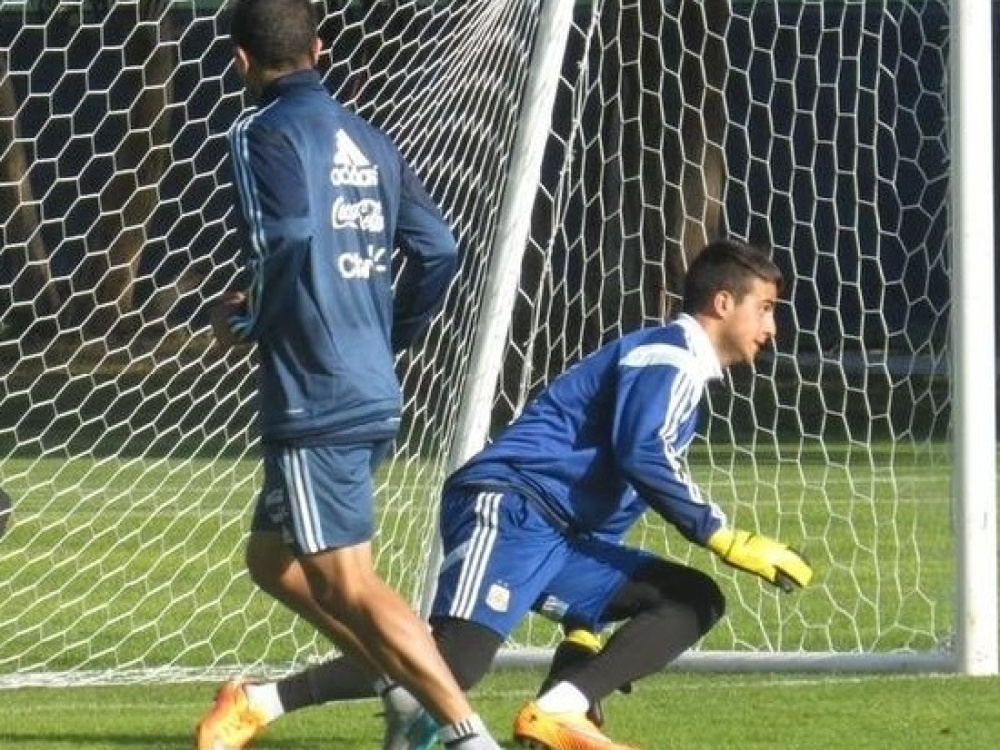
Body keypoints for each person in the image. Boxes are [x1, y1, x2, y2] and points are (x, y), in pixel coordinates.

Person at [196, 238, 814, 750]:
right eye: (765, 309)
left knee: (689, 598)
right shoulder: (668, 359)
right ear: (723, 302)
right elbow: (641, 453)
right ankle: (259, 701)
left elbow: (611, 505)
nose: (772, 327)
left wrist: (580, 645)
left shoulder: (682, 382)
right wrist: (723, 535)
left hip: (562, 536)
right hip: (513, 507)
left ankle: (560, 711)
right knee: (453, 666)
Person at [195, 2, 503, 750]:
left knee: (347, 580)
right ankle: (399, 693)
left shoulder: (258, 132)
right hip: (368, 381)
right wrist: (388, 333)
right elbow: (438, 249)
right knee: (274, 560)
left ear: (241, 61)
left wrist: (252, 321)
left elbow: (289, 236)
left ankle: (464, 732)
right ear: (320, 49)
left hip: (315, 391)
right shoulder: (368, 138)